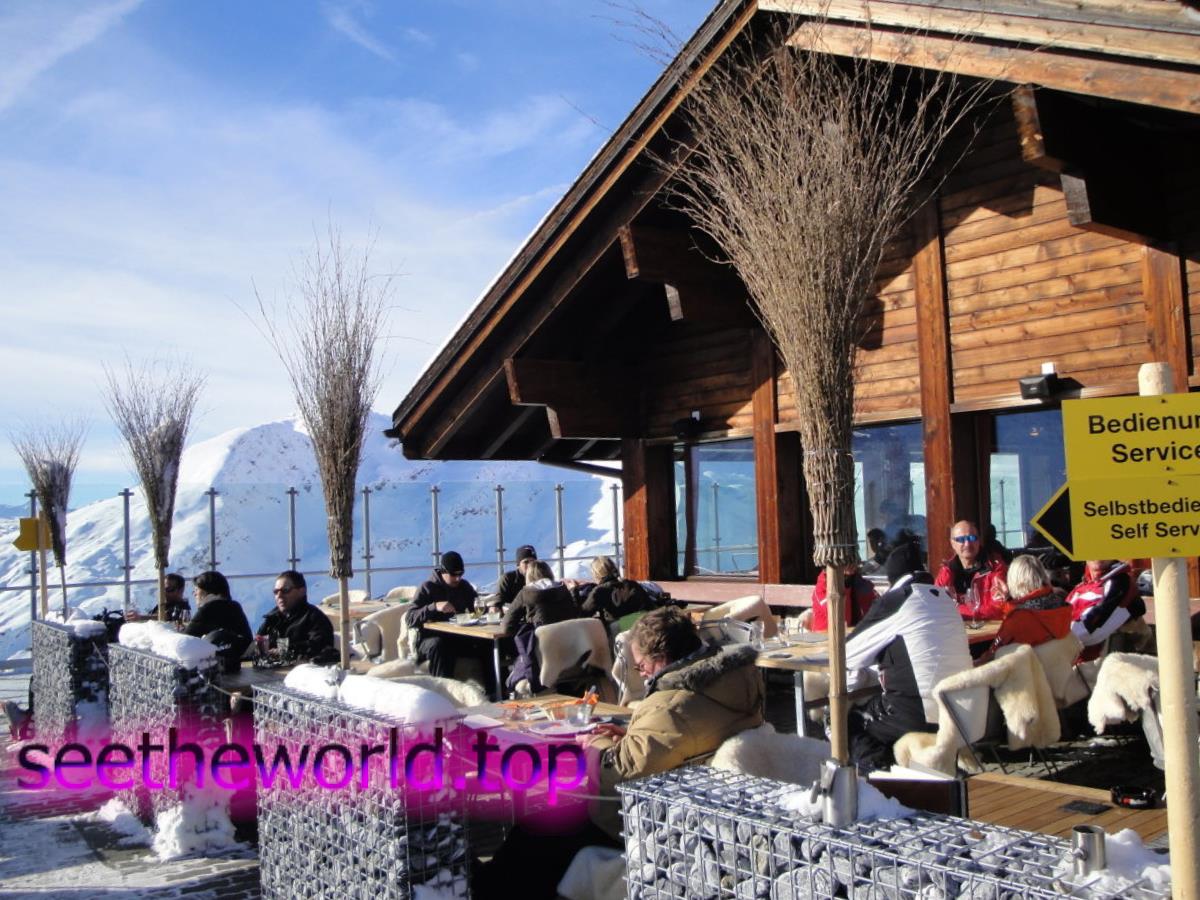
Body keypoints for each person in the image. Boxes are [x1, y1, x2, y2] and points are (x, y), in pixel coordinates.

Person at [475, 607, 763, 899]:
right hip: (702, 802)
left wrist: (594, 742)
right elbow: (685, 739)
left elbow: (619, 773)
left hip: (652, 823)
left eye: (641, 666)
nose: (642, 674)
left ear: (661, 658)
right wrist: (631, 737)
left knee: (535, 831)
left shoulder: (671, 705)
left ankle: (486, 889)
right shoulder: (730, 682)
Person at [842, 574, 974, 771]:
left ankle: (879, 778)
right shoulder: (945, 599)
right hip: (962, 714)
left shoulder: (899, 600)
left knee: (850, 722)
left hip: (920, 714)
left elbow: (848, 654)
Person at [406, 551, 490, 687]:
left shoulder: (464, 587)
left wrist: (489, 609)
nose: (457, 578)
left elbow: (477, 608)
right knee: (440, 646)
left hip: (457, 636)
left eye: (460, 574)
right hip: (429, 639)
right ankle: (443, 690)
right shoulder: (427, 588)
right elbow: (410, 618)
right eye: (453, 575)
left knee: (488, 644)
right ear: (443, 571)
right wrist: (434, 607)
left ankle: (493, 691)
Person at [976, 555, 1071, 664]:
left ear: (1015, 582)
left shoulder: (1019, 620)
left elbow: (994, 656)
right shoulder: (1061, 605)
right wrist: (1008, 601)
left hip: (1028, 673)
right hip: (1057, 669)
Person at [1065, 559, 1146, 658]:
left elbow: (1084, 633)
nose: (1098, 555)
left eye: (1102, 550)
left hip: (1094, 661)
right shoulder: (1081, 586)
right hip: (1069, 654)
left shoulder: (1119, 582)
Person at [256, 570, 338, 664]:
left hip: (302, 670)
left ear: (302, 591)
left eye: (285, 590)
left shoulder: (314, 618)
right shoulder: (271, 619)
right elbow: (256, 645)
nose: (279, 595)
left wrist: (286, 650)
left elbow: (320, 645)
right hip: (269, 669)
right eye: (276, 591)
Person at [934, 519, 1009, 621]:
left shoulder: (995, 568)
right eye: (961, 539)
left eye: (972, 538)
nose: (967, 544)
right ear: (952, 543)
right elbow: (937, 608)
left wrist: (955, 610)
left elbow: (998, 609)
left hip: (988, 629)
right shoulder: (946, 572)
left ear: (979, 541)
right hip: (956, 629)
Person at [185, 570, 253, 663]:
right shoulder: (234, 606)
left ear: (207, 590)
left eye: (196, 590)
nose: (194, 594)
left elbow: (186, 638)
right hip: (238, 661)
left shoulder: (208, 608)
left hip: (214, 663)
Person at [500, 560, 580, 635]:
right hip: (567, 639)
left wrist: (526, 628)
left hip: (540, 641)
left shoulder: (526, 593)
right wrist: (573, 591)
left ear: (528, 575)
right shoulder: (562, 588)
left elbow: (507, 626)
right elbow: (575, 614)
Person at [578, 555, 656, 626]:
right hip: (640, 627)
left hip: (619, 631)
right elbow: (650, 607)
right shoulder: (632, 584)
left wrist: (574, 592)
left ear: (596, 574)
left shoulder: (599, 591)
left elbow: (582, 615)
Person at [802, 562, 877, 632]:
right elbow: (835, 613)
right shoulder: (823, 585)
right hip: (824, 635)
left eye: (852, 561)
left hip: (853, 633)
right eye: (846, 562)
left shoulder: (858, 582)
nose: (852, 565)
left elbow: (873, 607)